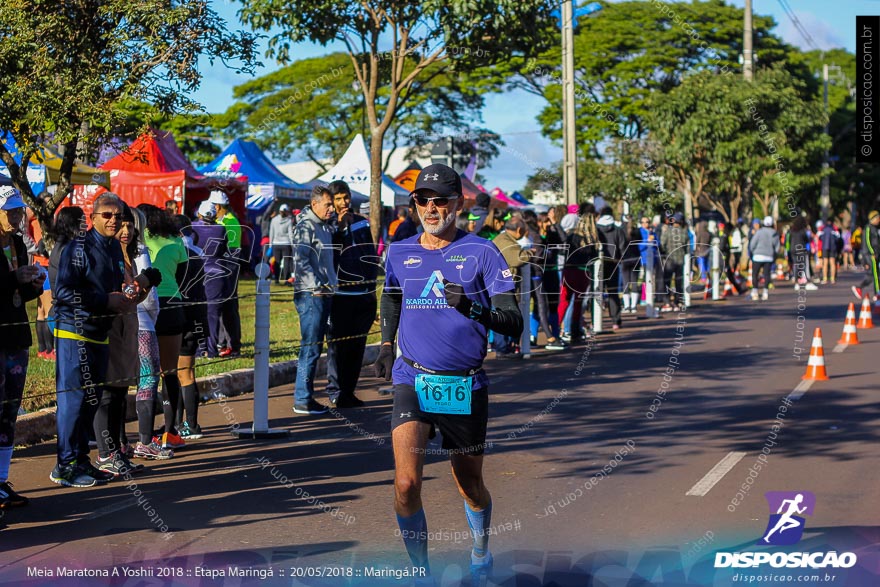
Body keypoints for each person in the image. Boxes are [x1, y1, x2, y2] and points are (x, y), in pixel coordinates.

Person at [371, 163, 523, 584]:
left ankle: (480, 551)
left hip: (464, 383)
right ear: (414, 203)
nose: (432, 208)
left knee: (469, 485)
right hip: (412, 378)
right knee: (405, 483)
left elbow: (514, 323)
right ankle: (420, 571)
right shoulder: (399, 251)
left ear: (459, 203)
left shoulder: (483, 252)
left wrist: (469, 306)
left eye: (441, 200)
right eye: (423, 200)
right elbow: (391, 299)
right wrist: (386, 346)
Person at [51, 193, 133, 488]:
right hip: (74, 331)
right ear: (93, 217)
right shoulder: (79, 247)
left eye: (118, 216)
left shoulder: (113, 248)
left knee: (91, 400)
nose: (114, 221)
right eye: (107, 215)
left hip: (100, 332)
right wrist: (104, 300)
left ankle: (82, 459)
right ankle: (65, 465)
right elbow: (63, 293)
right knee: (72, 400)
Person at [95, 203, 157, 476]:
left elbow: (135, 299)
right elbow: (118, 294)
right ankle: (105, 453)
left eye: (130, 225)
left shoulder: (130, 256)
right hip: (110, 329)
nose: (126, 230)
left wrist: (145, 284)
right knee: (107, 395)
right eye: (120, 224)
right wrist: (143, 281)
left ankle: (119, 450)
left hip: (128, 326)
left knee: (120, 394)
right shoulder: (105, 254)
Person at [0, 188, 44, 506]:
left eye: (18, 211)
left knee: (9, 412)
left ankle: (2, 481)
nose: (17, 217)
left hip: (17, 337)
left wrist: (32, 285)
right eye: (10, 211)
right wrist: (16, 278)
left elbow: (18, 297)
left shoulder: (17, 243)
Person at [325, 180, 378, 409]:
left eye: (345, 197)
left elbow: (370, 254)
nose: (343, 202)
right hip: (339, 296)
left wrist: (371, 288)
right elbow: (329, 257)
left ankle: (348, 392)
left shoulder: (362, 223)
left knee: (357, 347)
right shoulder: (327, 225)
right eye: (338, 198)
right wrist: (340, 229)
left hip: (363, 294)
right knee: (337, 347)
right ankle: (335, 391)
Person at [139, 203, 188, 450]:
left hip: (145, 303)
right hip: (173, 304)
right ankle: (171, 431)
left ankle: (144, 436)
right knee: (170, 371)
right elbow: (183, 274)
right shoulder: (176, 240)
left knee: (147, 373)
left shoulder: (138, 236)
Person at [291, 186, 336, 415]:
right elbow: (301, 261)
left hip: (325, 294)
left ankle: (306, 396)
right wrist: (317, 286)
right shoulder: (305, 226)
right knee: (309, 348)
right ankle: (302, 398)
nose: (332, 208)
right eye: (327, 204)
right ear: (315, 204)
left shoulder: (325, 226)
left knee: (316, 348)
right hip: (311, 295)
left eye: (332, 204)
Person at [191, 200, 233, 361]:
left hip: (198, 273)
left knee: (198, 311)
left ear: (199, 213)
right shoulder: (220, 228)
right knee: (213, 314)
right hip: (217, 273)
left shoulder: (193, 227)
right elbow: (224, 249)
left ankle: (200, 349)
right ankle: (212, 349)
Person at [490, 216, 531, 356]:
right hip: (500, 286)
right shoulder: (505, 242)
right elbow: (519, 258)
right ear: (519, 230)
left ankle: (503, 346)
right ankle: (502, 348)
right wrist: (532, 253)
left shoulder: (503, 238)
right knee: (502, 316)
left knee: (502, 316)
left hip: (498, 284)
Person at [208, 191, 242, 357]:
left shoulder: (227, 222)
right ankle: (226, 343)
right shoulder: (226, 220)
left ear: (218, 206)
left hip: (228, 263)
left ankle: (231, 344)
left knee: (227, 305)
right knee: (223, 305)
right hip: (226, 262)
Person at [558, 207, 598, 342]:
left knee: (564, 301)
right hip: (583, 272)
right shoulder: (592, 239)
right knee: (578, 303)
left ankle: (555, 330)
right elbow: (594, 256)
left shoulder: (571, 236)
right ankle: (575, 331)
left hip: (569, 270)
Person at [596, 206, 628, 330]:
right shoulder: (617, 229)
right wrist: (620, 257)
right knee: (613, 292)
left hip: (598, 263)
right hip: (613, 263)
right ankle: (616, 320)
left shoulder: (597, 228)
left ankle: (596, 321)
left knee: (597, 291)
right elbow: (623, 246)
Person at [660, 213, 689, 311]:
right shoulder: (684, 232)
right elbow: (687, 247)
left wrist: (664, 252)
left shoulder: (667, 231)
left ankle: (667, 302)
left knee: (667, 281)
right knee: (679, 282)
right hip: (680, 260)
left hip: (669, 259)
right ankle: (679, 302)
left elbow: (662, 244)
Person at [748, 216, 780, 301]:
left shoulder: (759, 232)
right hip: (769, 257)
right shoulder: (774, 233)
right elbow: (777, 247)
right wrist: (774, 255)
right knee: (767, 275)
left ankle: (755, 292)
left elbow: (752, 244)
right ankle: (765, 292)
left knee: (755, 274)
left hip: (757, 256)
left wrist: (753, 252)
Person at [853, 210, 880, 301]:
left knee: (872, 275)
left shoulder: (875, 228)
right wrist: (872, 253)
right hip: (870, 255)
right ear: (873, 219)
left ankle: (859, 288)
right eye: (877, 218)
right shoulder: (868, 228)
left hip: (875, 254)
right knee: (876, 275)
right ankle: (877, 293)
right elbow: (867, 242)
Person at [789, 216, 816, 291]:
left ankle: (797, 282)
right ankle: (808, 281)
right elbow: (807, 240)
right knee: (805, 266)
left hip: (793, 250)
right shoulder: (803, 231)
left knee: (796, 265)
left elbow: (790, 240)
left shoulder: (792, 231)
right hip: (802, 250)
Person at [269, 204, 294, 285]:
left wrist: (270, 244)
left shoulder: (274, 220)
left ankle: (276, 279)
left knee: (277, 262)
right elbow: (290, 234)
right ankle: (287, 280)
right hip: (286, 244)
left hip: (276, 243)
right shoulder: (289, 220)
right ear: (286, 212)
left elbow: (271, 233)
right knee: (287, 262)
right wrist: (293, 244)